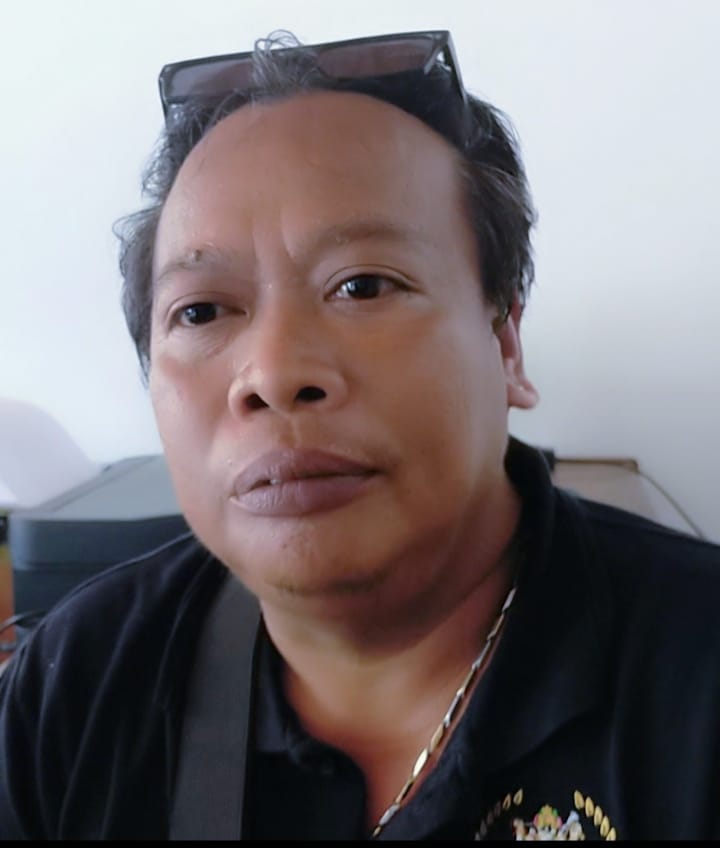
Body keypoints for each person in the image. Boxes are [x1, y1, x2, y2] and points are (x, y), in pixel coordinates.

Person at [1, 28, 720, 841]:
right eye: (200, 311)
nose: (273, 373)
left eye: (365, 285)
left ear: (506, 347)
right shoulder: (76, 687)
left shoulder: (696, 677)